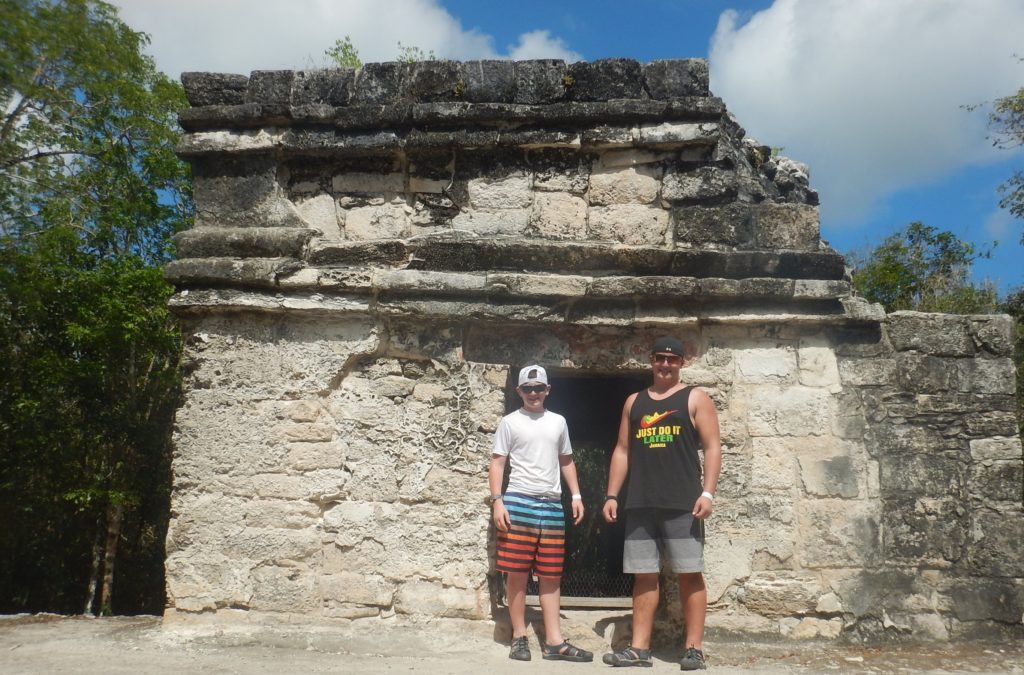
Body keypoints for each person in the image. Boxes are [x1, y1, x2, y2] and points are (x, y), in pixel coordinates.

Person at [601, 337, 722, 670]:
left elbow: (713, 447)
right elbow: (622, 450)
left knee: (689, 573)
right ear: (650, 360)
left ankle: (694, 648)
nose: (665, 364)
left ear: (682, 362)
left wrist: (708, 493)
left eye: (672, 359)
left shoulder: (695, 398)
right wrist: (612, 494)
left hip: (683, 502)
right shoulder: (634, 402)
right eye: (659, 358)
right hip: (640, 502)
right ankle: (639, 649)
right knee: (644, 576)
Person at [488, 364, 594, 663]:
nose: (533, 393)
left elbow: (566, 460)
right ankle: (519, 635)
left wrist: (576, 495)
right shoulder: (509, 422)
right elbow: (497, 463)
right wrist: (498, 501)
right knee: (517, 573)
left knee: (550, 574)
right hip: (519, 500)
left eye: (538, 388)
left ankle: (554, 641)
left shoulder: (559, 422)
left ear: (548, 390)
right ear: (519, 391)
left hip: (551, 503)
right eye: (527, 388)